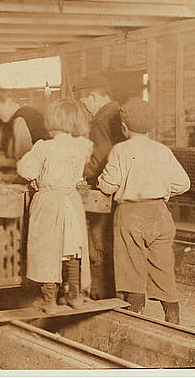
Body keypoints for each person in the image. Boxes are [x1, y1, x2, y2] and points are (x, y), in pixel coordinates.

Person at [98, 98, 190, 324]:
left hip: (131, 215)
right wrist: (162, 191)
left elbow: (109, 184)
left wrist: (102, 182)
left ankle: (135, 314)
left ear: (124, 127)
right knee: (162, 266)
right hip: (159, 213)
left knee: (131, 267)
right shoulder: (162, 150)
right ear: (152, 126)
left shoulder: (120, 150)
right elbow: (183, 184)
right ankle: (172, 314)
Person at [17, 99, 93, 314]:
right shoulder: (82, 146)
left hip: (49, 202)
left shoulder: (44, 146)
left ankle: (49, 301)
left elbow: (26, 170)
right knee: (72, 250)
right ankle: (74, 297)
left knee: (47, 252)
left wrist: (36, 177)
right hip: (71, 202)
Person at [73, 72, 125, 300]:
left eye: (85, 102)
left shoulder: (101, 120)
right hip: (121, 191)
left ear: (94, 97)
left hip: (104, 193)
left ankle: (102, 295)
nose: (85, 108)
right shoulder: (119, 113)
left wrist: (76, 172)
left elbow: (98, 160)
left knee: (98, 244)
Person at [0, 88, 49, 168]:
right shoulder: (28, 112)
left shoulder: (20, 120)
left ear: (9, 102)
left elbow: (24, 164)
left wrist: (2, 161)